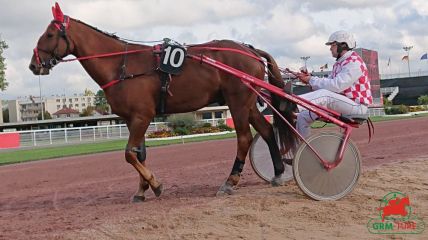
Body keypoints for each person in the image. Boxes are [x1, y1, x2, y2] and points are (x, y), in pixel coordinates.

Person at [291, 30, 372, 139]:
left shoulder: (354, 62)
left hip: (357, 106)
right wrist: (309, 78)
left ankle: (292, 104)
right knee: (302, 117)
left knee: (325, 95)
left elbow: (335, 86)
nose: (330, 48)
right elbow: (327, 84)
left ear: (343, 45)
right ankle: (302, 152)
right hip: (344, 104)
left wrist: (310, 79)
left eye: (333, 45)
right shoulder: (340, 63)